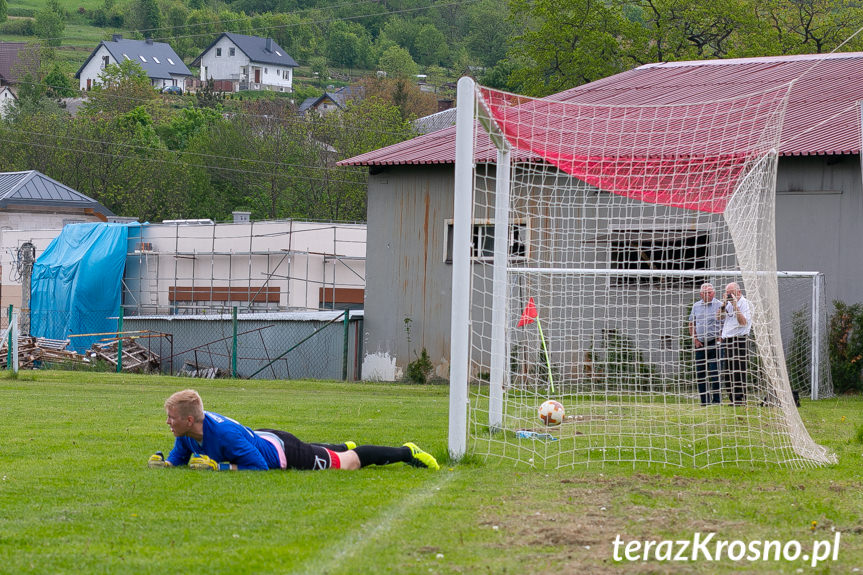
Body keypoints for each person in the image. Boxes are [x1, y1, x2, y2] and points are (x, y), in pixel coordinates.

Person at [147, 389, 440, 471]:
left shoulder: (224, 436)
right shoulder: (187, 434)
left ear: (189, 420)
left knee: (348, 463)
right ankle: (339, 445)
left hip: (282, 451)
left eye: (171, 418)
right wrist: (166, 465)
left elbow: (260, 466)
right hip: (262, 436)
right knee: (326, 451)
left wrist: (220, 468)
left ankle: (406, 452)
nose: (167, 422)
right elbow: (181, 457)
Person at [688, 282, 723, 405]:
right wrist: (695, 339)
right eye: (704, 293)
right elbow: (691, 323)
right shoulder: (696, 306)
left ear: (713, 293)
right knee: (700, 373)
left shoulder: (720, 305)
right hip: (700, 344)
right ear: (700, 294)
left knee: (715, 372)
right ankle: (704, 400)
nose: (707, 294)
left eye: (709, 292)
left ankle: (717, 400)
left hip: (714, 343)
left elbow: (725, 323)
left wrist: (720, 338)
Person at [719, 282, 752, 406]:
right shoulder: (726, 304)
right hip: (727, 339)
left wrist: (735, 306)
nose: (729, 295)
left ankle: (739, 398)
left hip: (739, 339)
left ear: (738, 292)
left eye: (731, 293)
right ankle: (732, 398)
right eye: (727, 293)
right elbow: (718, 318)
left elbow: (743, 322)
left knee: (738, 369)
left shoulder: (745, 303)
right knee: (727, 370)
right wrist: (724, 304)